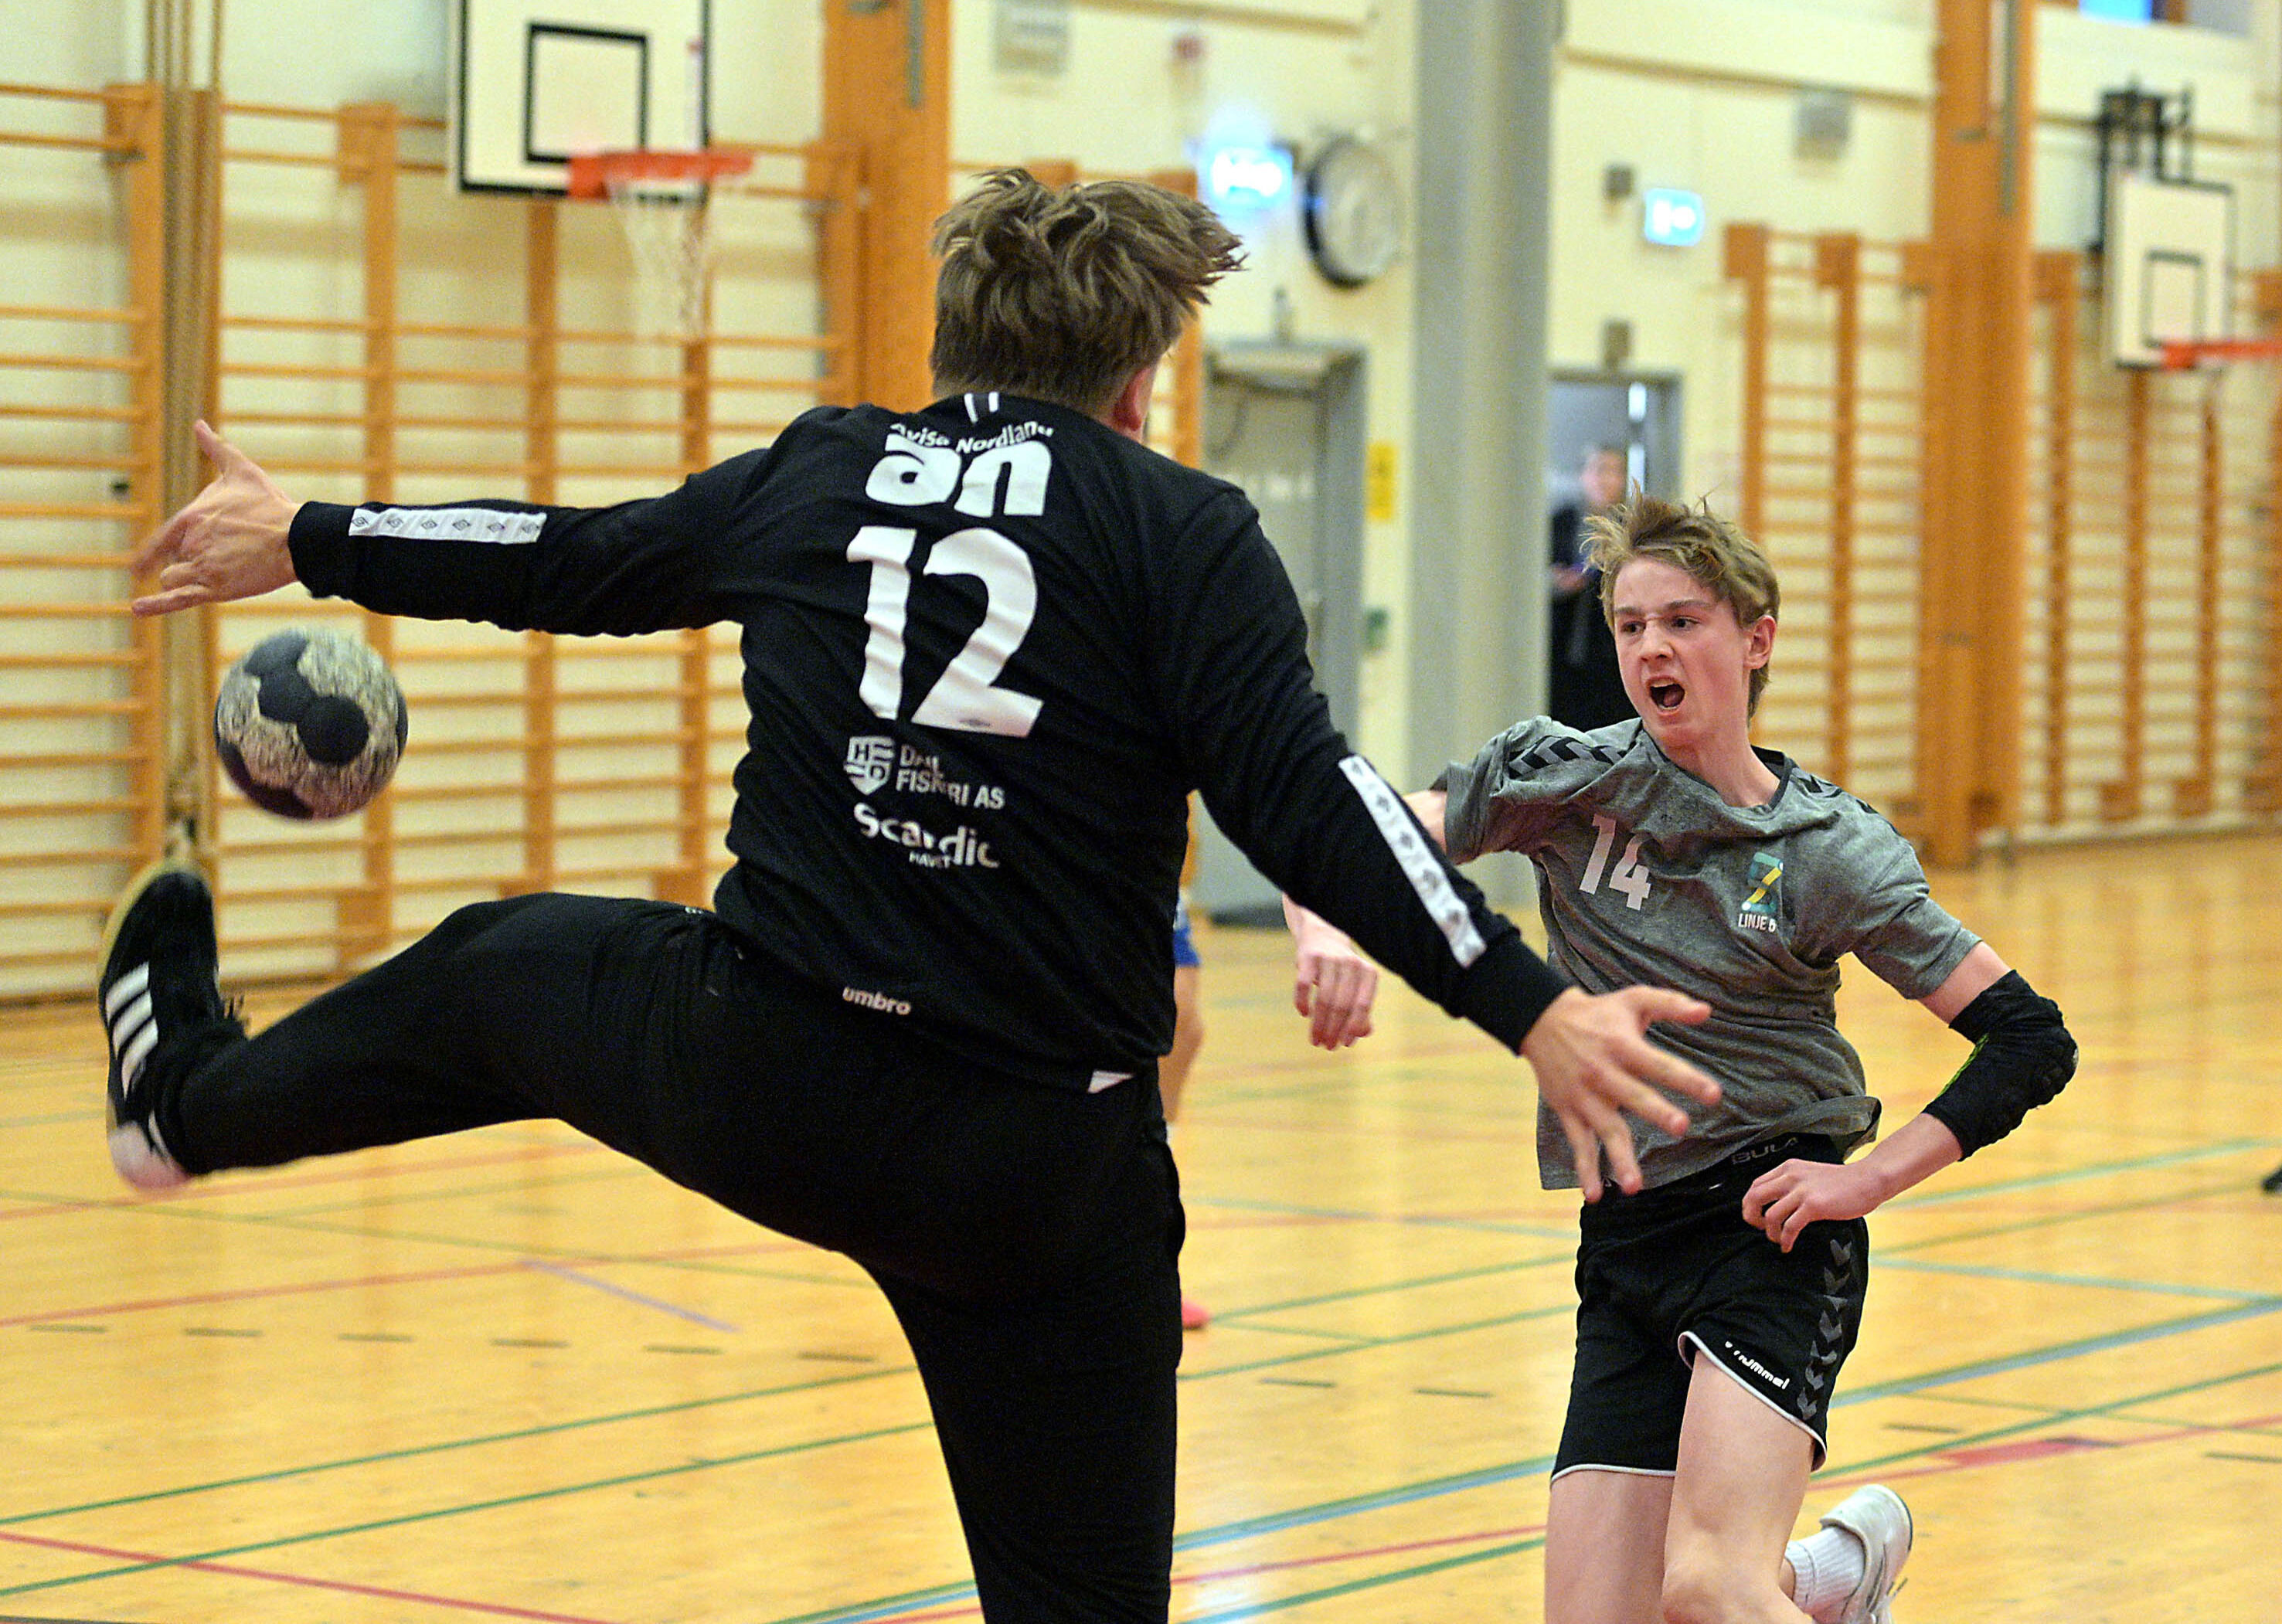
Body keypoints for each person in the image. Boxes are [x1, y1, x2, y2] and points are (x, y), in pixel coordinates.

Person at [102, 170, 1722, 1624]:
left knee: (491, 972)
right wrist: (1530, 1006)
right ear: (1140, 382)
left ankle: (177, 1111)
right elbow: (1310, 804)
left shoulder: (825, 471)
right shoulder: (1182, 530)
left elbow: (564, 559)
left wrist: (307, 532)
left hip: (770, 1070)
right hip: (1029, 1168)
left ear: (946, 338)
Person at [1299, 494, 2076, 1623]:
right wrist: (1326, 925)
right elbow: (1352, 820)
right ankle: (1825, 1583)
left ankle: (1788, 1581)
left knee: (1708, 1587)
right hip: (1621, 1235)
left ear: (1755, 640)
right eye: (1629, 626)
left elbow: (2028, 1037)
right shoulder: (1567, 780)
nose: (1652, 648)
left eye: (1684, 620)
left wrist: (1862, 1179)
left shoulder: (1828, 850)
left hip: (1766, 1231)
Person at [1548, 443, 1634, 732]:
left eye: (1614, 471)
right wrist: (1555, 583)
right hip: (1561, 646)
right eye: (1598, 470)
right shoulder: (1559, 522)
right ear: (1584, 476)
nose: (1605, 479)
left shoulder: (1633, 528)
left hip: (1611, 649)